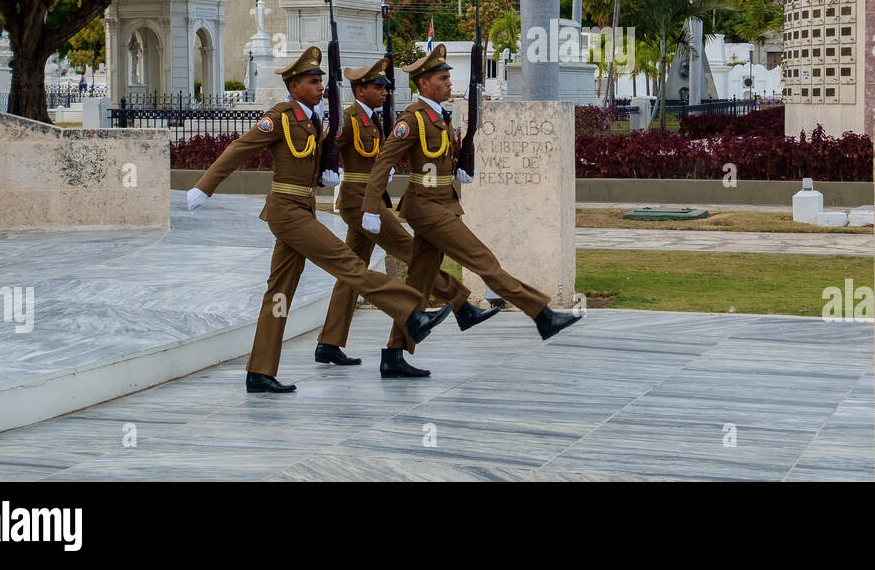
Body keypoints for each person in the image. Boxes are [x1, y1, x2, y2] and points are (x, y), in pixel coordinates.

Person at [186, 45, 451, 393]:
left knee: (279, 293)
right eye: (313, 81)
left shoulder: (311, 119)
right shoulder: (280, 117)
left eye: (320, 81)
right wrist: (204, 187)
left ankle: (260, 372)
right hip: (287, 211)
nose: (320, 87)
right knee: (347, 264)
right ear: (294, 86)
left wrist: (326, 172)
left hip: (303, 207)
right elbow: (240, 148)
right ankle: (410, 313)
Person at [362, 44, 582, 352]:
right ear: (423, 83)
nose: (449, 82)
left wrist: (461, 166)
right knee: (483, 260)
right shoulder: (412, 120)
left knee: (420, 282)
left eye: (449, 77)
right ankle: (541, 314)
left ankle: (395, 353)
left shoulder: (438, 116)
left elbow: (441, 158)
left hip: (442, 203)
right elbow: (383, 162)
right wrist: (371, 207)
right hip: (426, 208)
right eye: (442, 78)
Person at [316, 56, 499, 378]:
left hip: (369, 200)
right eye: (378, 87)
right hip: (360, 203)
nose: (385, 92)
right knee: (413, 254)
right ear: (360, 90)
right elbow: (325, 147)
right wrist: (327, 169)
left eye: (386, 87)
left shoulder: (373, 119)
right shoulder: (350, 119)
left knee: (352, 272)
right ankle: (461, 305)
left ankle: (330, 342)